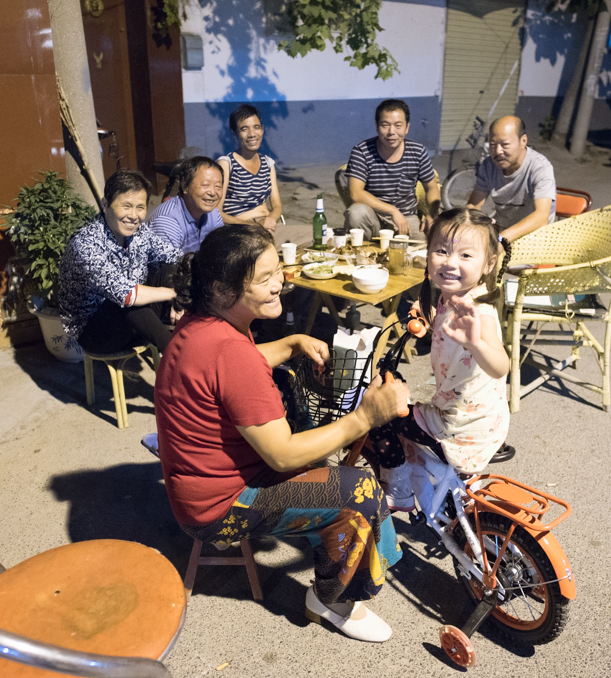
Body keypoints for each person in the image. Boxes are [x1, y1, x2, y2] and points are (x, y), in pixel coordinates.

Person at [154, 224, 409, 642]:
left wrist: (291, 343)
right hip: (219, 510)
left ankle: (335, 547)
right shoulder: (229, 352)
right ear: (221, 289)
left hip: (196, 491)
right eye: (266, 278)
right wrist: (364, 417)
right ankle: (332, 601)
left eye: (279, 271)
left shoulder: (202, 327)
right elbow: (283, 455)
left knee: (325, 462)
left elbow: (234, 369)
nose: (281, 283)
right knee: (360, 490)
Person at [369, 208, 511, 509]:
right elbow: (446, 325)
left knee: (378, 416)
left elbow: (500, 366)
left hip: (459, 426)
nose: (450, 262)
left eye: (465, 256)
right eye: (442, 251)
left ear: (489, 263)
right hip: (480, 418)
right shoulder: (454, 298)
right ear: (428, 252)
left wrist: (476, 344)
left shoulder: (479, 313)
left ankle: (399, 490)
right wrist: (429, 318)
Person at [59, 169, 179, 354]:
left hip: (138, 322)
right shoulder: (85, 243)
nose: (133, 215)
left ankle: (196, 343)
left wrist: (181, 298)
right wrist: (173, 293)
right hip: (97, 334)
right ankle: (177, 355)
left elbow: (175, 257)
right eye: (126, 206)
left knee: (173, 270)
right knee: (124, 300)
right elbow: (125, 294)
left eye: (140, 207)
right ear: (105, 204)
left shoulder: (141, 232)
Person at [345, 99, 439, 239]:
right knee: (356, 213)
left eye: (398, 126)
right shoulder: (362, 151)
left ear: (407, 128)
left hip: (407, 218)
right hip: (374, 215)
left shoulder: (417, 152)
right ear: (377, 127)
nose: (391, 132)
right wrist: (393, 211)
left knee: (422, 252)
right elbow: (356, 193)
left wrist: (432, 215)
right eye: (385, 125)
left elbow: (431, 187)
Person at [467, 116, 555, 243]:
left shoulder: (540, 167)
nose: (497, 151)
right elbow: (474, 205)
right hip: (502, 234)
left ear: (523, 141)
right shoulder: (488, 165)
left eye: (505, 144)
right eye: (492, 144)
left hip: (535, 240)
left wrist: (502, 239)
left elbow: (541, 217)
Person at [218, 104, 283, 233]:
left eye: (256, 127)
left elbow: (277, 206)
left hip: (267, 226)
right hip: (241, 230)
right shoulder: (226, 163)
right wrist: (252, 225)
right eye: (244, 129)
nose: (252, 134)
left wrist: (270, 219)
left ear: (262, 130)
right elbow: (217, 212)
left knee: (321, 234)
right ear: (234, 134)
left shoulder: (268, 163)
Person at [148, 156, 224, 254]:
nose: (213, 192)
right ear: (185, 186)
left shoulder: (213, 213)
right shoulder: (167, 221)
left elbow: (220, 252)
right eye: (205, 185)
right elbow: (167, 268)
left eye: (218, 186)